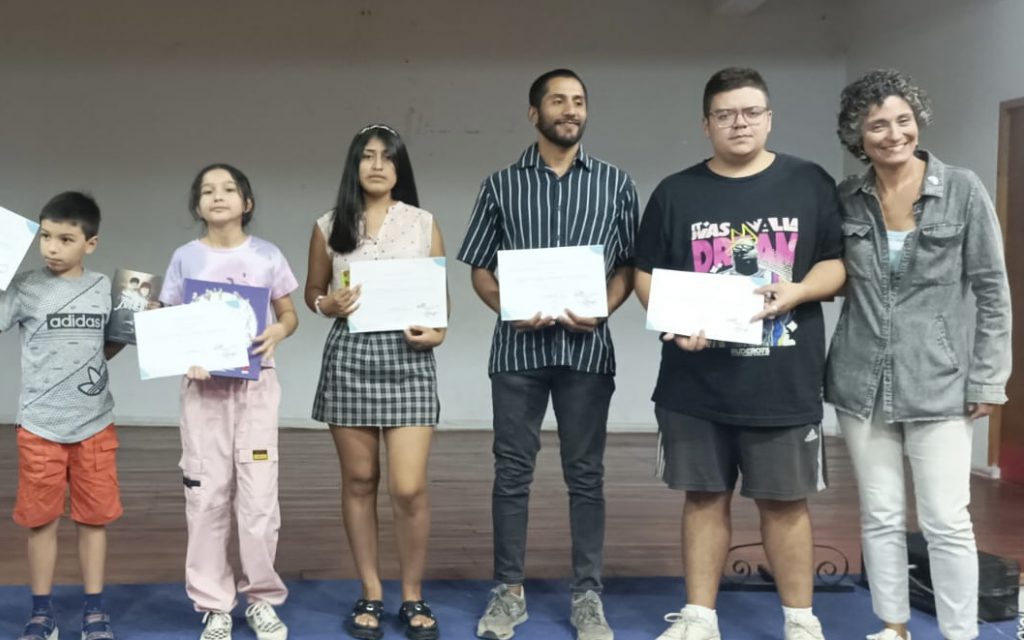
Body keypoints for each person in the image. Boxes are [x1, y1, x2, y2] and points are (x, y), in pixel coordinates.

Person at [632, 67, 843, 640]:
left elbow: (837, 263)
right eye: (726, 114)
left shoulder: (810, 182)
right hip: (695, 383)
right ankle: (700, 618)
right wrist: (676, 321)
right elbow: (644, 273)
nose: (740, 122)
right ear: (706, 125)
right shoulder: (676, 193)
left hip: (783, 379)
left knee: (785, 503)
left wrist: (799, 290)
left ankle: (801, 621)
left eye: (751, 111)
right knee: (703, 497)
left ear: (769, 117)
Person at [827, 69, 1011, 640]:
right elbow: (824, 275)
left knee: (946, 521)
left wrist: (988, 379)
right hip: (861, 381)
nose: (893, 134)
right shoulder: (846, 199)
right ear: (858, 135)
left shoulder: (963, 188)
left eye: (902, 120)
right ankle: (894, 627)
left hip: (940, 382)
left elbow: (992, 290)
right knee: (881, 516)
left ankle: (960, 633)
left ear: (918, 121)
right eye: (877, 125)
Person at [456, 69, 638, 640]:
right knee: (512, 473)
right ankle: (508, 592)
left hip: (587, 351)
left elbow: (629, 267)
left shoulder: (616, 184)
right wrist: (506, 307)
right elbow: (480, 268)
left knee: (586, 476)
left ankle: (588, 596)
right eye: (557, 101)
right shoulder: (500, 185)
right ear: (534, 114)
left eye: (579, 101)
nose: (570, 110)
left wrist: (604, 309)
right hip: (517, 350)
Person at [0, 192, 124, 640]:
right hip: (39, 427)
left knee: (93, 520)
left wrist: (139, 325)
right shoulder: (25, 287)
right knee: (41, 521)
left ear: (91, 243)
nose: (52, 247)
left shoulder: (107, 289)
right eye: (45, 236)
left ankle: (95, 610)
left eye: (66, 238)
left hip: (95, 426)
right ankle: (41, 612)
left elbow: (112, 343)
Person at [306, 124, 445, 640]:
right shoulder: (328, 223)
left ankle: (412, 594)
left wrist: (436, 334)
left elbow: (438, 302)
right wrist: (327, 304)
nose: (377, 165)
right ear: (355, 165)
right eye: (367, 156)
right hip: (350, 356)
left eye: (387, 158)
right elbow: (313, 292)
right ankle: (370, 590)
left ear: (400, 168)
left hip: (408, 357)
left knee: (408, 487)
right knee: (360, 482)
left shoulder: (423, 222)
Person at [159, 163, 299, 640]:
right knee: (206, 498)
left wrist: (278, 331)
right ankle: (214, 604)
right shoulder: (185, 258)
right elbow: (169, 322)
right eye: (207, 191)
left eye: (229, 189)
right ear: (197, 206)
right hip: (203, 396)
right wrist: (184, 352)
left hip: (256, 391)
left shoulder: (267, 255)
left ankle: (261, 598)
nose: (218, 196)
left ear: (247, 202)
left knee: (259, 499)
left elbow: (288, 314)